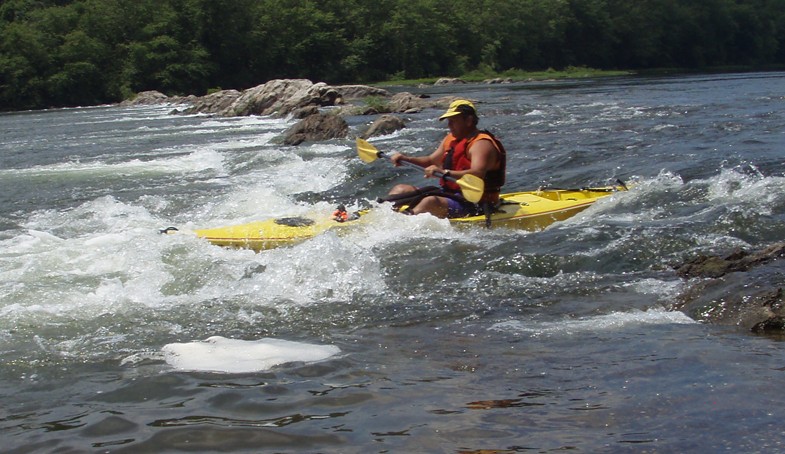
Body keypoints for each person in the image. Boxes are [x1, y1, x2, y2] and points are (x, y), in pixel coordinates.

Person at [385, 99, 507, 218]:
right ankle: (385, 219)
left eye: (453, 121)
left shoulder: (481, 144)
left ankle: (402, 227)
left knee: (430, 202)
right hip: (451, 194)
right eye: (449, 121)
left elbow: (478, 173)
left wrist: (444, 172)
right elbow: (431, 161)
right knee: (400, 190)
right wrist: (406, 159)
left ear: (469, 120)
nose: (449, 125)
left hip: (477, 202)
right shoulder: (451, 138)